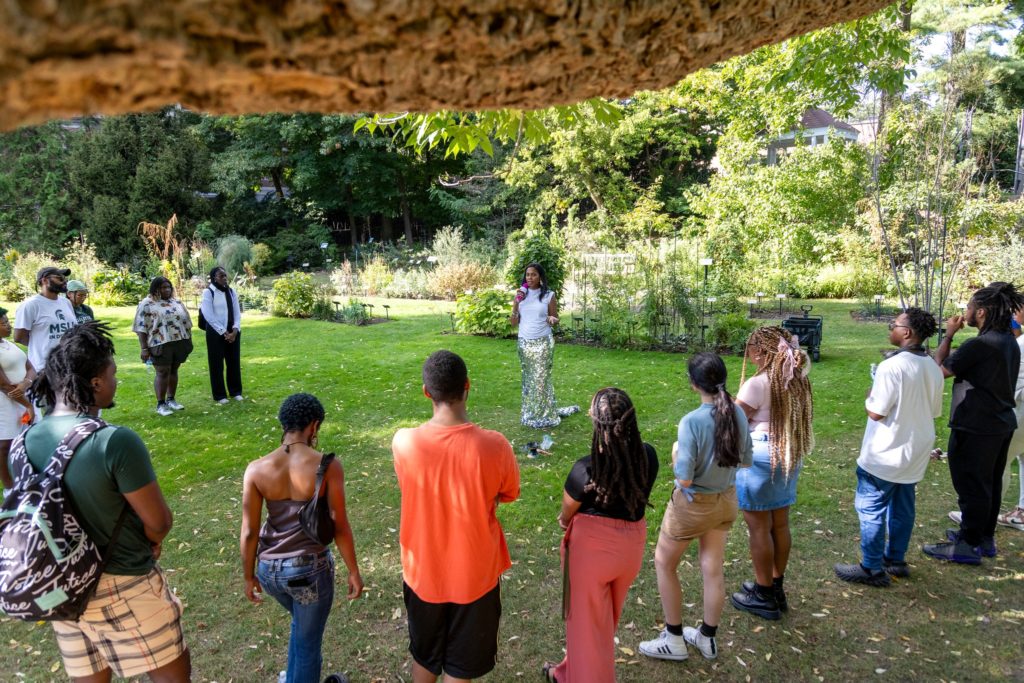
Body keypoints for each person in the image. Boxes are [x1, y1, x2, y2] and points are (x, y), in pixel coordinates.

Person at [16, 322, 189, 681]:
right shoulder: (114, 441)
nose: (116, 381)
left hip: (62, 591)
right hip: (125, 584)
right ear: (95, 382)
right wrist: (152, 541)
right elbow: (159, 522)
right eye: (113, 373)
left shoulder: (23, 442)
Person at [392, 350, 520, 682]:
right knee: (460, 668)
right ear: (467, 387)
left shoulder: (403, 442)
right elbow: (507, 492)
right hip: (475, 574)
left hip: (422, 574)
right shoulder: (496, 446)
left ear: (426, 392)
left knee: (425, 655)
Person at [240, 393, 363, 683]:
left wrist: (248, 576)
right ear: (314, 426)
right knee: (309, 645)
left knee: (302, 624)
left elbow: (248, 533)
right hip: (309, 572)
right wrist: (354, 571)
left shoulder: (256, 469)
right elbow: (340, 525)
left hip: (270, 573)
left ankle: (292, 677)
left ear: (284, 424)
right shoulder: (328, 465)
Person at [640, 353, 752, 664]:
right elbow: (745, 460)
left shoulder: (692, 422)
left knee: (664, 563)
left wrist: (676, 454)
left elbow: (685, 479)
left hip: (694, 506)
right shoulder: (738, 414)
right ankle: (707, 638)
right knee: (712, 567)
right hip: (726, 501)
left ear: (694, 385)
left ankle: (674, 638)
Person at [544, 388, 659, 683]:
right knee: (601, 625)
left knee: (586, 625)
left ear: (597, 423)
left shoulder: (586, 470)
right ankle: (566, 671)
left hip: (591, 555)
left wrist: (564, 520)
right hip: (630, 549)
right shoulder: (647, 457)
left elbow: (567, 512)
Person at [834, 308, 944, 587]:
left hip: (887, 450)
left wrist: (870, 395)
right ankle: (895, 559)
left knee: (871, 507)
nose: (890, 329)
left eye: (894, 325)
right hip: (916, 448)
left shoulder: (891, 367)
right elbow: (932, 409)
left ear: (907, 333)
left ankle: (871, 568)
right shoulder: (931, 365)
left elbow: (876, 412)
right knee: (903, 505)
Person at [925, 282, 1024, 564]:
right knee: (988, 483)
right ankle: (983, 538)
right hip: (1001, 422)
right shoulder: (1008, 341)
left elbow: (938, 371)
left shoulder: (979, 344)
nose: (965, 312)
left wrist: (948, 336)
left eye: (968, 307)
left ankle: (968, 546)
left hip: (976, 425)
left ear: (981, 312)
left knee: (971, 484)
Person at [730, 326, 813, 620]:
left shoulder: (757, 383)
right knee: (780, 524)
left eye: (751, 349)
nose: (749, 355)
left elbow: (734, 422)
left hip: (762, 458)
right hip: (787, 455)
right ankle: (776, 586)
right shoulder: (796, 377)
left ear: (759, 351)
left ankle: (763, 594)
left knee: (758, 528)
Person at [510, 262, 578, 428]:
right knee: (529, 379)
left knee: (541, 379)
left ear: (540, 276)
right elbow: (513, 323)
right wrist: (516, 303)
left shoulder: (548, 295)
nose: (530, 278)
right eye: (527, 275)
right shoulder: (521, 296)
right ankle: (531, 412)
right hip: (524, 343)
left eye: (533, 274)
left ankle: (546, 414)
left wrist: (552, 319)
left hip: (543, 342)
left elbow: (554, 318)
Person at [134, 277, 194, 416]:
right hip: (159, 343)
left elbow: (187, 322)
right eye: (163, 287)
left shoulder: (176, 302)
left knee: (174, 370)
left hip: (178, 341)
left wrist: (189, 340)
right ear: (155, 289)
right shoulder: (147, 304)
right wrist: (144, 348)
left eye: (168, 287)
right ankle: (161, 404)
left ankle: (171, 399)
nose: (166, 290)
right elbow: (141, 327)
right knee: (162, 372)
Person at [13, 266, 76, 373]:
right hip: (44, 368)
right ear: (45, 280)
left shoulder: (66, 302)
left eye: (65, 279)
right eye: (59, 278)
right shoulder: (30, 305)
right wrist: (42, 344)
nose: (64, 281)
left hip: (69, 365)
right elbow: (19, 337)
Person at [994, 306, 1024, 531]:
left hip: (1019, 408)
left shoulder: (1020, 345)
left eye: (1018, 309)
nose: (1015, 313)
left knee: (999, 459)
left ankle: (985, 515)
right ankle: (1021, 512)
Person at [0, 307, 34, 491]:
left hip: (23, 399)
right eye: (4, 323)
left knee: (26, 440)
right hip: (5, 404)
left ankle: (27, 478)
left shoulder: (7, 343)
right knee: (4, 445)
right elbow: (4, 386)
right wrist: (28, 406)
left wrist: (26, 383)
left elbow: (30, 367)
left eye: (8, 321)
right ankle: (9, 488)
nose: (9, 325)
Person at [200, 266, 243, 404]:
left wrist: (235, 330)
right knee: (216, 364)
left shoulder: (231, 291)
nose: (224, 278)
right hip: (215, 331)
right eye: (221, 276)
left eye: (225, 275)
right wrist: (224, 332)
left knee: (233, 362)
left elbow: (237, 312)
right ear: (214, 278)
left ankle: (235, 391)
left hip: (232, 331)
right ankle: (220, 395)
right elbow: (208, 315)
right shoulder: (208, 292)